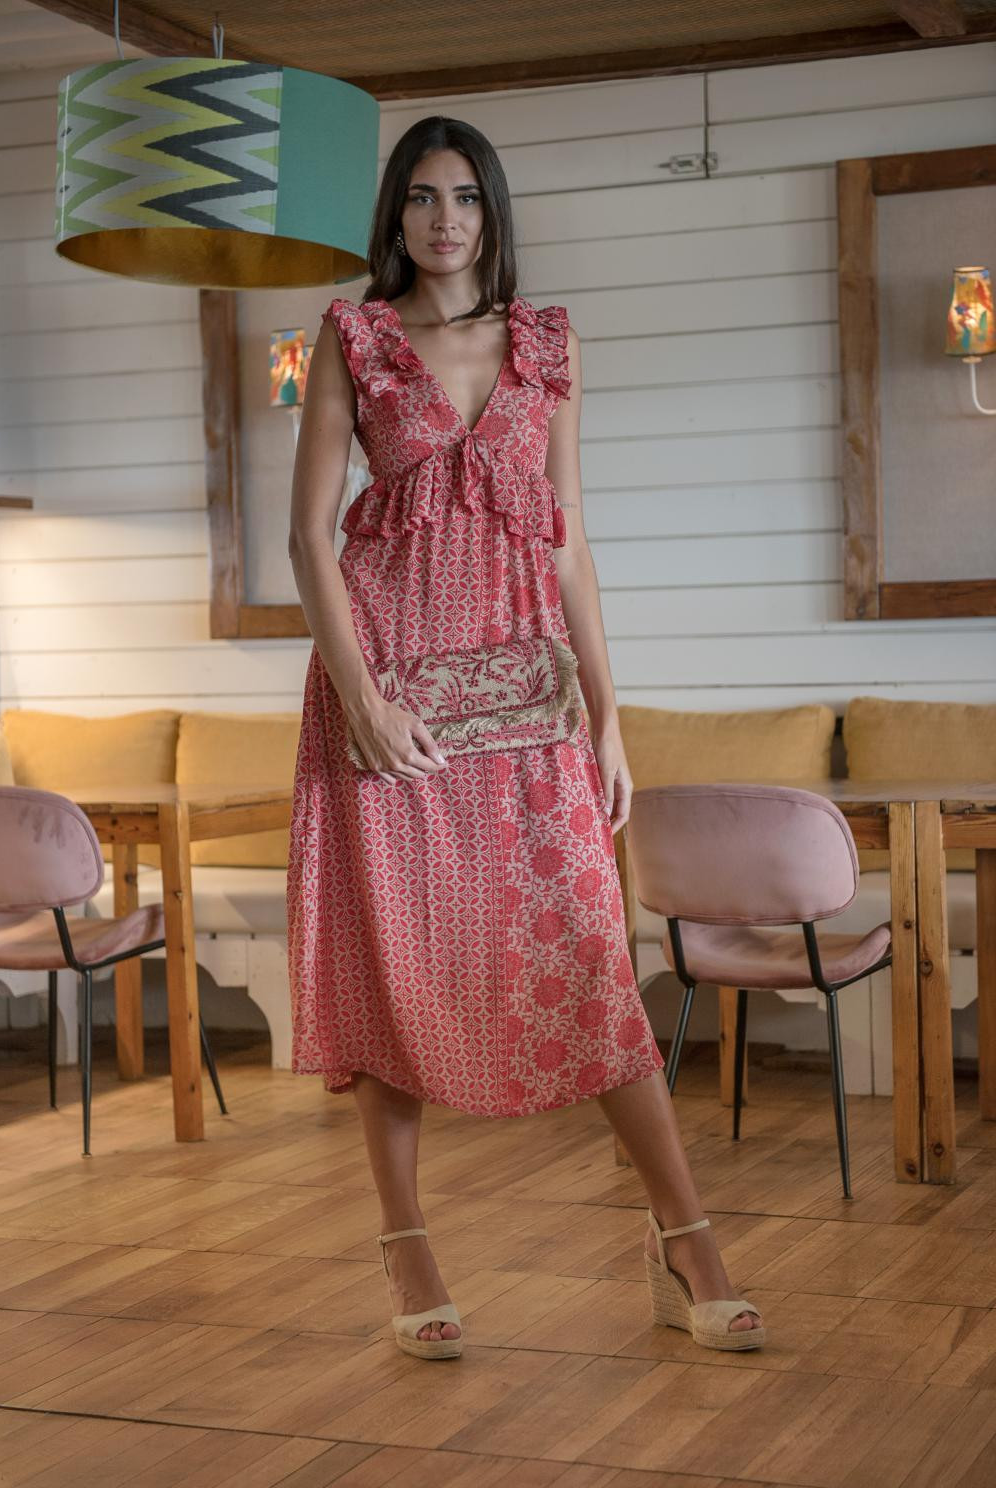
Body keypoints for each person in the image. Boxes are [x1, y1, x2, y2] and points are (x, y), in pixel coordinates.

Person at [286, 115, 764, 1360]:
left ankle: (686, 1244)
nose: (447, 219)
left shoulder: (547, 342)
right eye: (424, 198)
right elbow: (307, 540)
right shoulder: (351, 337)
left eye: (468, 199)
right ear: (393, 218)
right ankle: (408, 1256)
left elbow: (567, 540)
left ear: (492, 216)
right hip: (386, 696)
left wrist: (609, 718)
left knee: (593, 963)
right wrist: (361, 699)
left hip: (527, 698)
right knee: (396, 967)